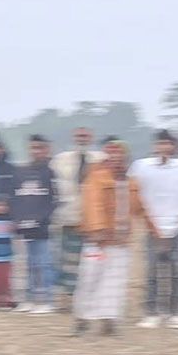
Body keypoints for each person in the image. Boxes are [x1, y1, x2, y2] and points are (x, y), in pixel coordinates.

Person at [73, 137, 156, 335]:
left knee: (114, 283)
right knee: (89, 279)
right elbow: (92, 205)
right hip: (98, 242)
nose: (116, 157)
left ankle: (108, 321)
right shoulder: (96, 178)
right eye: (112, 153)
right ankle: (82, 319)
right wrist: (98, 229)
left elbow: (141, 208)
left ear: (126, 157)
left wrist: (154, 230)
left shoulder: (132, 183)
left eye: (120, 154)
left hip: (120, 243)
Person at [129, 129, 178, 329]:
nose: (164, 148)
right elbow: (132, 191)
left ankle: (176, 313)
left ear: (173, 146)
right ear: (155, 146)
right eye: (161, 144)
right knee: (152, 271)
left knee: (177, 272)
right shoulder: (141, 166)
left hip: (176, 225)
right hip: (152, 225)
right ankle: (151, 312)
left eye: (168, 144)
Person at [51, 127, 105, 310]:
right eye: (79, 136)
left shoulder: (100, 160)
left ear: (91, 138)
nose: (82, 139)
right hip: (69, 218)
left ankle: (92, 299)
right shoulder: (61, 160)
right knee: (67, 262)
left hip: (94, 221)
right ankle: (67, 299)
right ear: (74, 137)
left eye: (85, 136)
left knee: (93, 261)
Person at [12, 134, 57, 315]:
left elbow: (54, 200)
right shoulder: (23, 171)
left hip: (43, 226)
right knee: (29, 263)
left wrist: (43, 218)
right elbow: (17, 198)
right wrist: (19, 220)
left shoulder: (50, 172)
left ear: (46, 150)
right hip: (26, 226)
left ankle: (47, 300)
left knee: (44, 263)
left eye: (40, 148)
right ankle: (30, 298)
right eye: (33, 148)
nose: (36, 151)